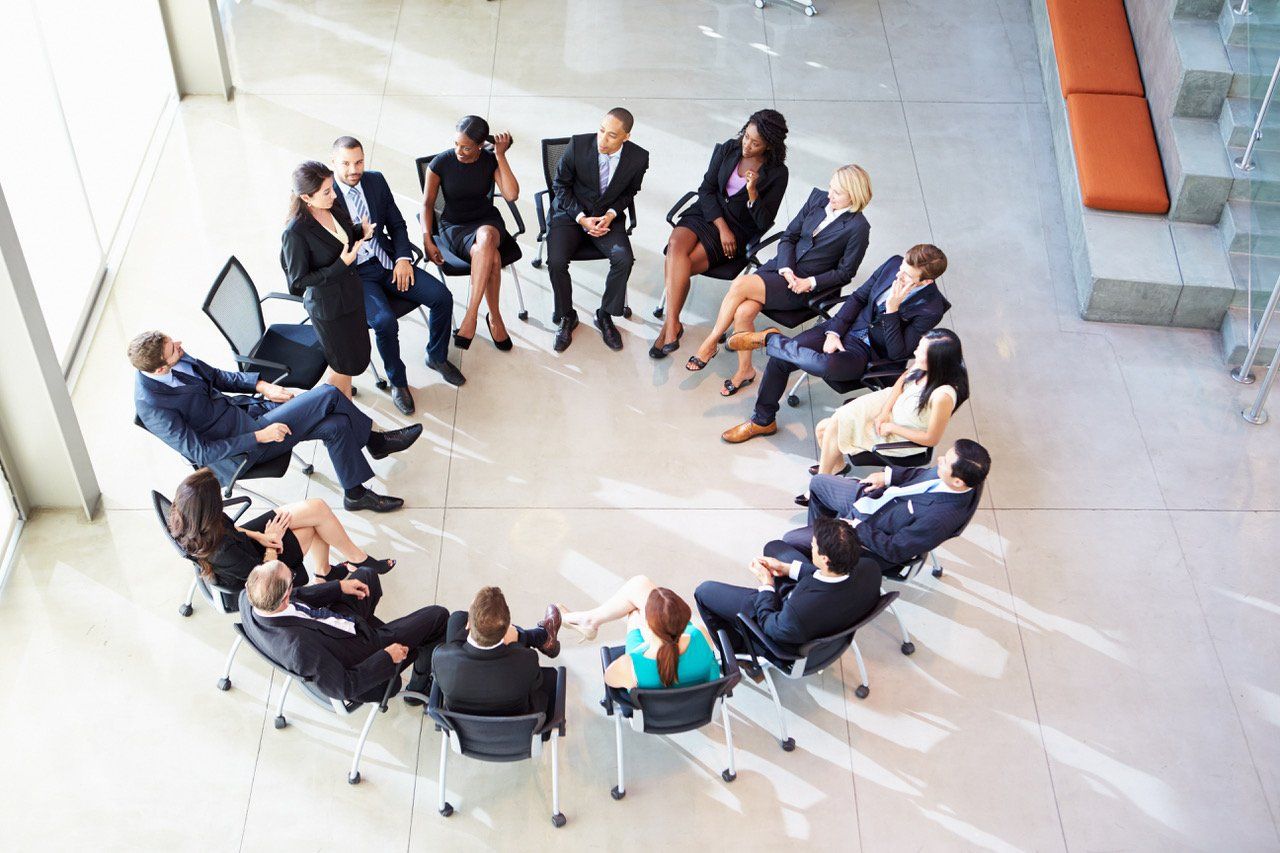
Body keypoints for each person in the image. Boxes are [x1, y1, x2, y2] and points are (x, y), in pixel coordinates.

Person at [131, 332, 421, 513]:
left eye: (173, 342)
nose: (180, 345)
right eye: (173, 349)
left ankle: (355, 494)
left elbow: (217, 377)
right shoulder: (152, 406)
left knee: (336, 426)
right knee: (329, 394)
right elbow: (202, 453)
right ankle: (376, 441)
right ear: (160, 368)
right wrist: (260, 437)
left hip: (249, 412)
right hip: (242, 450)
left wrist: (261, 386)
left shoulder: (176, 356)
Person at [720, 244, 950, 444]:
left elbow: (897, 351)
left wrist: (892, 311)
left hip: (867, 353)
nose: (899, 277)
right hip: (844, 328)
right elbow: (859, 298)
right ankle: (763, 420)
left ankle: (770, 339)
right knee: (781, 358)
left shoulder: (930, 309)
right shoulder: (893, 264)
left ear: (927, 281)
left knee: (825, 366)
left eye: (907, 277)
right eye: (901, 270)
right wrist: (833, 332)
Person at [687, 165, 873, 398]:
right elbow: (789, 236)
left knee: (741, 284)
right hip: (781, 268)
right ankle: (745, 370)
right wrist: (786, 268)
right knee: (744, 312)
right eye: (830, 188)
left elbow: (846, 272)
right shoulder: (817, 199)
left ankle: (711, 341)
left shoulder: (858, 227)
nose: (829, 195)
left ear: (854, 196)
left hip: (802, 287)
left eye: (837, 193)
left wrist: (810, 282)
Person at [330, 136, 463, 415]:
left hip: (388, 260)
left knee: (442, 297)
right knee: (384, 322)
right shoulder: (326, 196)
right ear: (334, 164)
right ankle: (398, 382)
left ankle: (436, 356)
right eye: (346, 164)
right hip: (357, 274)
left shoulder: (375, 180)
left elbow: (398, 224)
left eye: (359, 162)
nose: (354, 169)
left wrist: (402, 259)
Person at [650, 110, 790, 360]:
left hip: (737, 229)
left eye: (755, 143)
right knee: (674, 246)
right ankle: (672, 326)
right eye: (746, 136)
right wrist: (720, 225)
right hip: (706, 214)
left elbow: (764, 221)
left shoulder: (778, 174)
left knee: (683, 265)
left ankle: (669, 329)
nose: (747, 145)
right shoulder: (729, 149)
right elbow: (707, 189)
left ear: (769, 145)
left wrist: (753, 192)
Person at [241, 560, 448, 701]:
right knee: (438, 616)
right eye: (292, 578)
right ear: (283, 597)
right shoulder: (299, 649)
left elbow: (298, 595)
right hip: (364, 652)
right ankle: (419, 687)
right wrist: (386, 657)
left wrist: (338, 586)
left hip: (332, 626)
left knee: (367, 575)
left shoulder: (250, 597)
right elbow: (344, 687)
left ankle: (377, 625)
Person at [167, 467, 397, 593]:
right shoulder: (222, 552)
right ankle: (326, 573)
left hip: (241, 542)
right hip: (258, 573)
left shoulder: (188, 516)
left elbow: (232, 528)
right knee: (312, 529)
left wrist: (259, 535)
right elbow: (263, 576)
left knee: (316, 508)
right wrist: (272, 544)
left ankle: (342, 565)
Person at [804, 328, 968, 499]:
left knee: (826, 428)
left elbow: (931, 439)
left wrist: (892, 427)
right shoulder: (923, 368)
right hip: (888, 408)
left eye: (921, 351)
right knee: (824, 428)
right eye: (919, 346)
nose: (915, 352)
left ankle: (818, 487)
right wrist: (883, 412)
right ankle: (834, 469)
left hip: (900, 433)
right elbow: (901, 382)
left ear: (937, 361)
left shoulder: (942, 396)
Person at [693, 516, 880, 662]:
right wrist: (786, 568)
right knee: (774, 547)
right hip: (828, 607)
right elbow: (824, 577)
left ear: (825, 559)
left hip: (782, 619)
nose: (811, 546)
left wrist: (766, 585)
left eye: (814, 545)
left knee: (704, 591)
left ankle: (737, 650)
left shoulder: (798, 612)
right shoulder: (870, 568)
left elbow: (771, 625)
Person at [788, 440, 990, 571]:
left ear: (957, 482)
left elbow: (894, 549)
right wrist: (886, 477)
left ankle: (822, 553)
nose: (939, 460)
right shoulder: (962, 478)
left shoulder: (939, 519)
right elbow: (921, 475)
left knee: (791, 540)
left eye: (945, 462)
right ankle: (820, 542)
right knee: (819, 483)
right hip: (878, 500)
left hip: (871, 533)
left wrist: (856, 527)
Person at [547, 107, 651, 353]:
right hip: (571, 215)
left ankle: (604, 315)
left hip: (607, 217)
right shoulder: (578, 144)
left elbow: (629, 192)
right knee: (556, 261)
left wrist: (611, 214)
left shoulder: (639, 158)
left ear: (626, 136)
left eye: (612, 135)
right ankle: (566, 316)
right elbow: (560, 186)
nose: (602, 140)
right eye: (601, 130)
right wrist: (582, 218)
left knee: (624, 259)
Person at [422, 115, 521, 353]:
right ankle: (494, 318)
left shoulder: (489, 160)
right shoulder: (441, 163)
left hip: (487, 221)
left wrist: (500, 155)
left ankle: (471, 315)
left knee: (486, 237)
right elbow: (427, 204)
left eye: (466, 147)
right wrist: (427, 238)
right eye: (456, 144)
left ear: (479, 145)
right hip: (454, 226)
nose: (459, 151)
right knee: (492, 257)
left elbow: (511, 195)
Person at [280, 160, 371, 399]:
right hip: (329, 309)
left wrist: (360, 232)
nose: (333, 194)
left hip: (350, 295)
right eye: (327, 191)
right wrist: (340, 266)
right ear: (306, 197)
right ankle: (344, 416)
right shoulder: (295, 233)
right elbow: (298, 281)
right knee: (342, 367)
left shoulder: (331, 205)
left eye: (331, 188)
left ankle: (343, 406)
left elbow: (340, 237)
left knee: (353, 360)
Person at [558, 576, 720, 690]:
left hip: (652, 710)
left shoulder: (630, 665)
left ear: (647, 626)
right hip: (700, 705)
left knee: (634, 609)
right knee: (640, 590)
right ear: (684, 624)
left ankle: (587, 621)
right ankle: (588, 621)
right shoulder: (701, 636)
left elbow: (612, 683)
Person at [430, 587, 563, 716]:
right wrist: (515, 641)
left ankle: (543, 637)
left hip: (461, 727)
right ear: (508, 629)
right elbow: (535, 683)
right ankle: (543, 637)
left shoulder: (441, 658)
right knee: (550, 677)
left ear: (468, 624)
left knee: (457, 618)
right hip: (514, 723)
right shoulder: (526, 660)